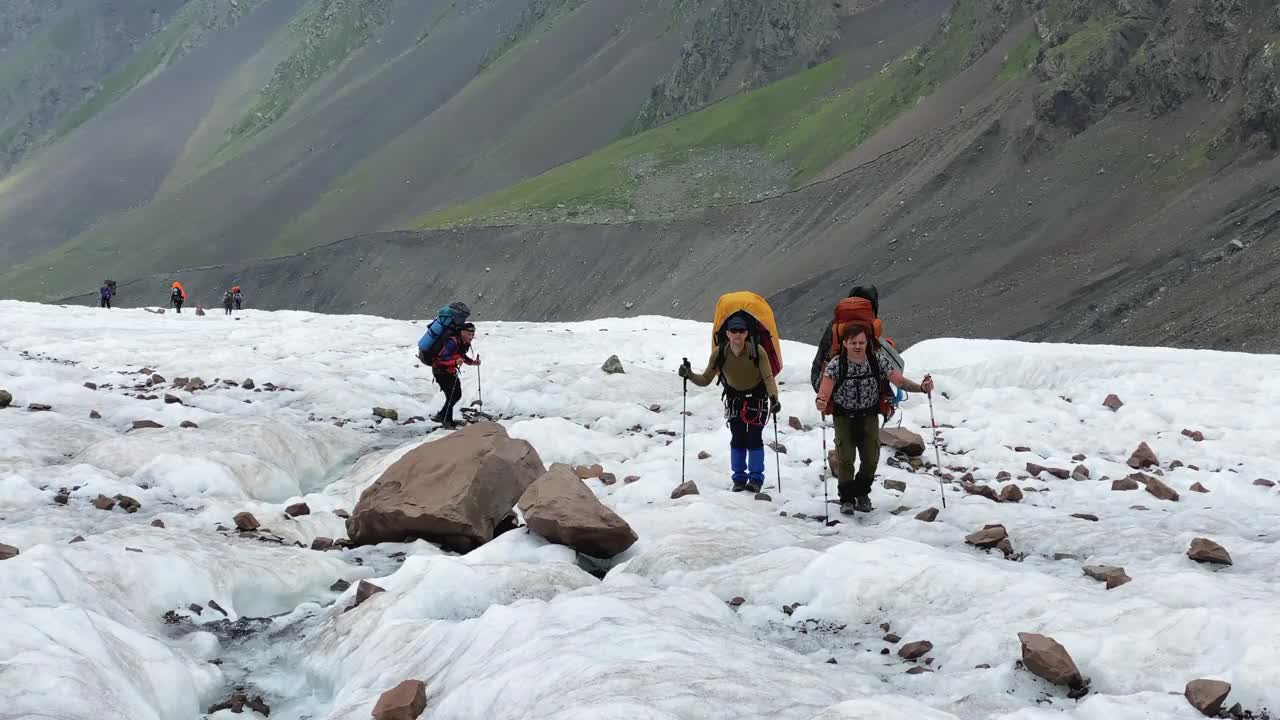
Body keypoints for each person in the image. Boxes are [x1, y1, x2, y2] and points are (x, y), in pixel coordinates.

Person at [815, 324, 934, 514]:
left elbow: (900, 382)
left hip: (869, 416)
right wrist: (821, 402)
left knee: (870, 459)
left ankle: (861, 493)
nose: (857, 346)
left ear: (867, 342)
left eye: (861, 342)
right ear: (845, 343)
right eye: (853, 342)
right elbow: (824, 392)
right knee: (846, 459)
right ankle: (847, 499)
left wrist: (921, 388)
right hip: (844, 417)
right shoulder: (836, 364)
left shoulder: (877, 360)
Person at [679, 314, 781, 493]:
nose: (737, 334)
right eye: (734, 330)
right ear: (727, 333)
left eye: (741, 331)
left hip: (757, 399)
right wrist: (689, 374)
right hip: (735, 400)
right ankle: (739, 479)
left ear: (746, 333)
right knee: (738, 438)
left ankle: (755, 479)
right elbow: (705, 379)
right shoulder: (720, 353)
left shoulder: (757, 350)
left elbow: (768, 377)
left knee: (754, 438)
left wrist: (774, 398)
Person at [431, 322, 479, 429]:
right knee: (453, 395)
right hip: (440, 371)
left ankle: (442, 416)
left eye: (472, 334)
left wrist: (473, 362)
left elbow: (462, 356)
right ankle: (447, 421)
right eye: (469, 334)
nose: (471, 337)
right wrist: (455, 362)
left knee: (455, 395)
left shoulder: (462, 342)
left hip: (449, 371)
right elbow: (442, 358)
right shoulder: (452, 342)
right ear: (462, 332)